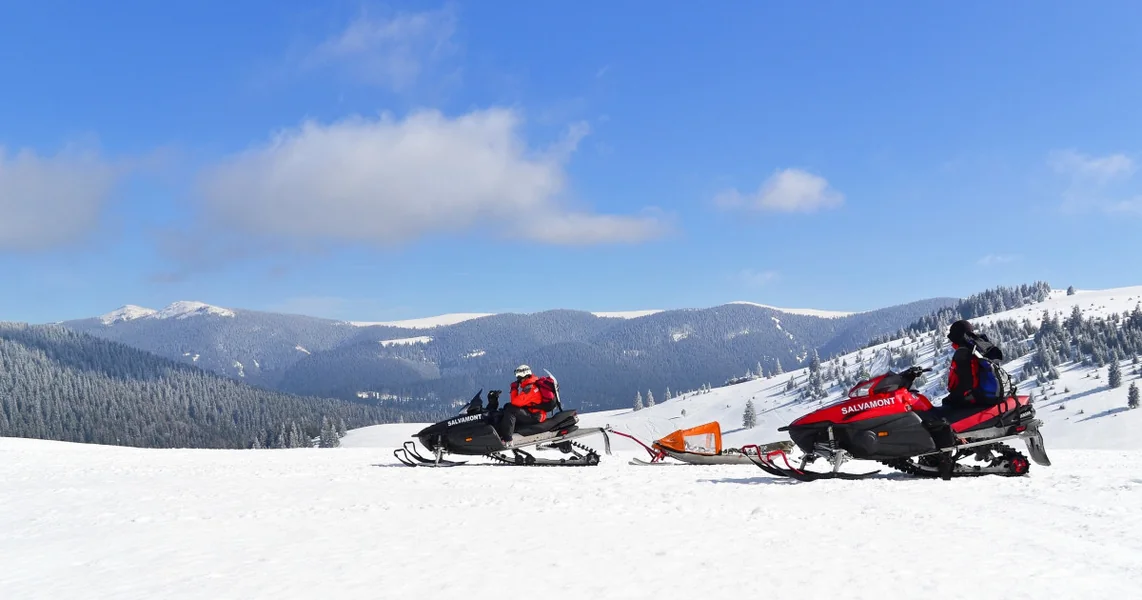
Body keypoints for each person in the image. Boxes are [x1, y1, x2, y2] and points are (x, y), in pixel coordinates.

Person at [923, 319, 1006, 479]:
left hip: (972, 398)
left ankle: (944, 460)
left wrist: (954, 398)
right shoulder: (974, 347)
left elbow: (964, 382)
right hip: (978, 396)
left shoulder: (964, 352)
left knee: (939, 419)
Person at [495, 364, 556, 443]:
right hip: (535, 413)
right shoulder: (531, 385)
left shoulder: (530, 388)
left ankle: (507, 439)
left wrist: (514, 389)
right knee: (508, 407)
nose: (518, 380)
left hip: (535, 416)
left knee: (511, 409)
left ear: (524, 375)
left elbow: (515, 403)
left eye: (519, 378)